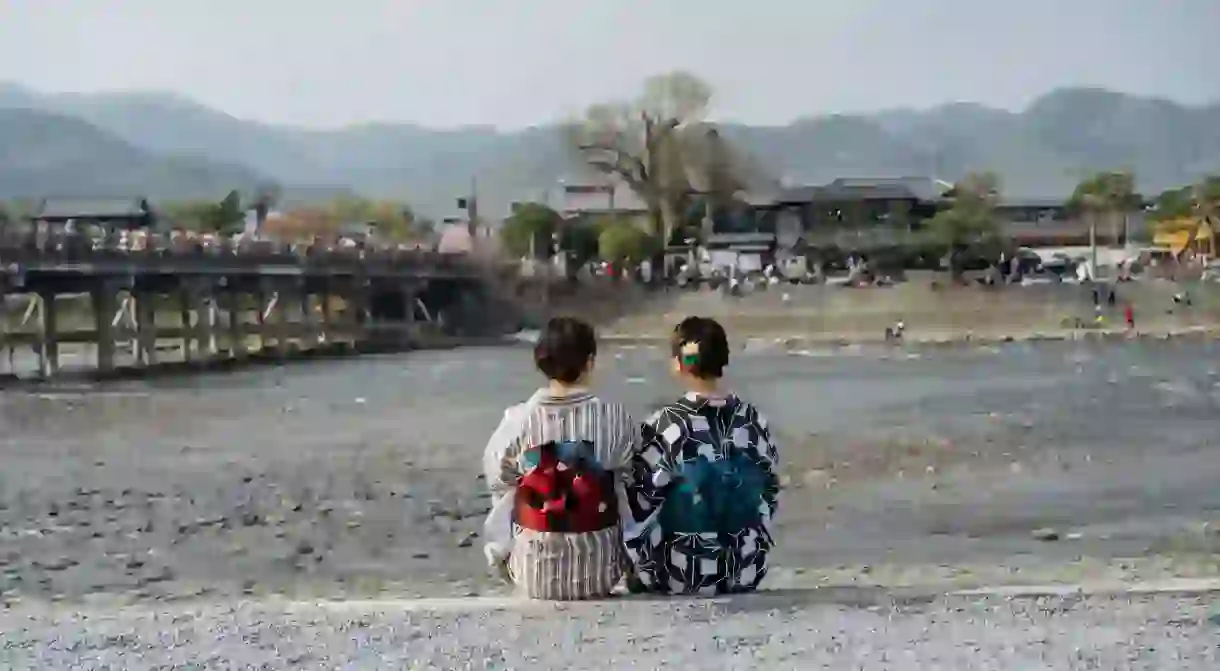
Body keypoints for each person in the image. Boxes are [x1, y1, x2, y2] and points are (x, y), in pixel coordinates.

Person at [481, 317, 638, 600]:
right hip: (601, 574)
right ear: (589, 361)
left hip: (533, 575)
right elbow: (633, 474)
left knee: (509, 491)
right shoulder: (614, 418)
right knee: (621, 484)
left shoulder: (518, 420)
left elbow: (496, 477)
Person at [622, 316, 780, 595]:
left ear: (678, 364)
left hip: (684, 575)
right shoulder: (754, 420)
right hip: (745, 571)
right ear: (724, 359)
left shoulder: (666, 423)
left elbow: (641, 503)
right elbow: (770, 490)